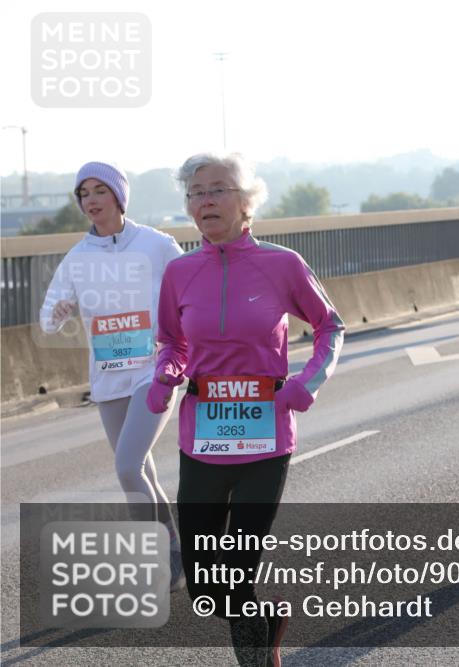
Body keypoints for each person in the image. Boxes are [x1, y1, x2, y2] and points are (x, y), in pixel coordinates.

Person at [147, 153, 344, 667]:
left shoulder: (282, 264)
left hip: (265, 439)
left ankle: (256, 656)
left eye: (218, 189)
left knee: (236, 569)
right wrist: (166, 374)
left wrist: (306, 383)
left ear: (245, 200)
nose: (205, 200)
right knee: (205, 587)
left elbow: (330, 327)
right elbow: (172, 341)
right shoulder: (179, 272)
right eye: (196, 192)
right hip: (202, 440)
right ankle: (267, 619)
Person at [39, 161, 186, 590]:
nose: (91, 200)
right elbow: (47, 320)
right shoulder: (78, 257)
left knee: (127, 467)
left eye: (100, 190)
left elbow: (191, 291)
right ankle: (175, 552)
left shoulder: (157, 245)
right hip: (107, 378)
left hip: (153, 372)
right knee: (143, 471)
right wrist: (59, 312)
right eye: (84, 193)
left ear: (119, 196)